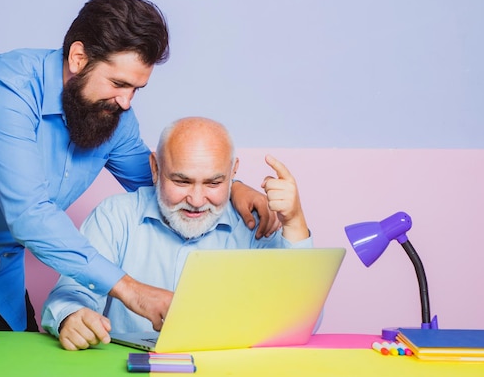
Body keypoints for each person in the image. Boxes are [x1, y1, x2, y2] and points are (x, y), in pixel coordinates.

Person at [0, 0, 278, 332]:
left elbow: (160, 182)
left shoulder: (115, 116)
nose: (127, 102)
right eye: (118, 83)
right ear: (78, 58)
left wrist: (232, 189)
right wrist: (131, 290)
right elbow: (29, 215)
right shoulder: (5, 89)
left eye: (137, 88)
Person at [42, 116, 313, 351]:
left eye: (214, 182)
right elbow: (70, 293)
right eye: (182, 181)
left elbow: (301, 321)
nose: (196, 200)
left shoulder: (258, 222)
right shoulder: (115, 217)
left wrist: (295, 222)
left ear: (233, 173)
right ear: (155, 169)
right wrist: (71, 316)